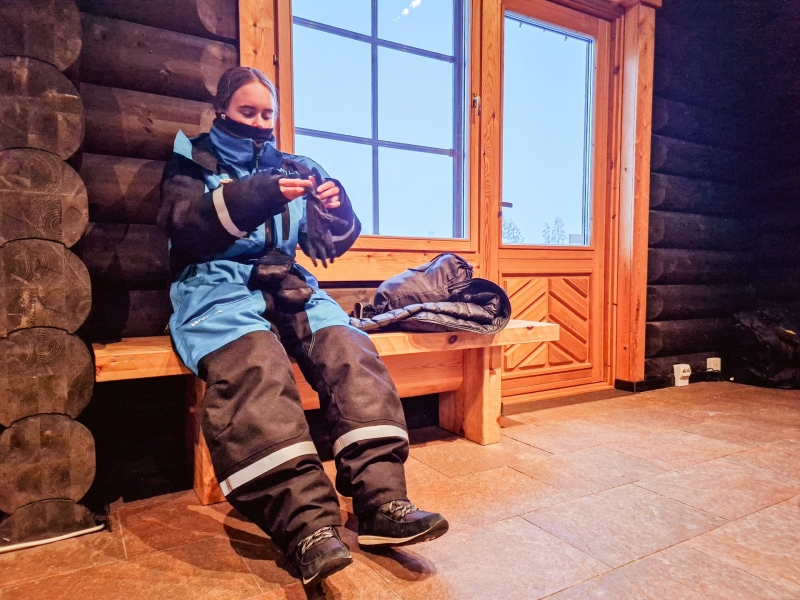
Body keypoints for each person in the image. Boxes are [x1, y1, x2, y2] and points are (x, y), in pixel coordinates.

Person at [158, 66, 448, 586]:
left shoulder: (294, 164)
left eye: (267, 113)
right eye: (248, 112)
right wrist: (260, 195)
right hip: (215, 284)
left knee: (350, 349)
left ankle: (383, 504)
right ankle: (306, 527)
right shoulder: (192, 158)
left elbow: (327, 244)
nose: (259, 122)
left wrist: (335, 209)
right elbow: (183, 229)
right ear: (223, 109)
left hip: (287, 280)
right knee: (254, 364)